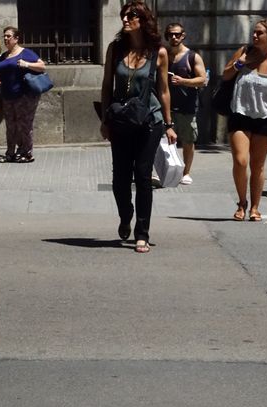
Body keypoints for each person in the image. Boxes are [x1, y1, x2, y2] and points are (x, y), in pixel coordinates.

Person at [100, 2, 177, 253]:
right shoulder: (115, 48)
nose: (125, 19)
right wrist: (104, 120)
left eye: (131, 15)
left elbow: (164, 90)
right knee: (120, 178)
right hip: (121, 120)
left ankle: (142, 232)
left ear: (143, 20)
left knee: (143, 176)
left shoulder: (158, 52)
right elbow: (106, 85)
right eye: (124, 15)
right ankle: (126, 215)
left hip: (149, 120)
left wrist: (169, 124)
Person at [222, 19, 267, 221]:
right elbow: (225, 75)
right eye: (254, 32)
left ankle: (254, 207)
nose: (254, 36)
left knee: (258, 165)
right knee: (241, 161)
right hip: (239, 114)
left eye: (259, 33)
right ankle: (241, 202)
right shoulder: (244, 51)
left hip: (264, 117)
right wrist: (239, 63)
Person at [0, 26, 46, 163]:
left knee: (24, 125)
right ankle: (10, 153)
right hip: (7, 95)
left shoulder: (25, 53)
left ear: (16, 39)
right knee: (11, 125)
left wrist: (26, 64)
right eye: (4, 36)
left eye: (8, 36)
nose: (5, 38)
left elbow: (42, 66)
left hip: (24, 95)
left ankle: (26, 153)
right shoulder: (4, 56)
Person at [165, 22, 207, 186]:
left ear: (183, 35)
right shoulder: (163, 54)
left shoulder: (192, 56)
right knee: (164, 141)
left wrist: (183, 81)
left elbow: (202, 79)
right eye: (170, 35)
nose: (173, 37)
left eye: (177, 34)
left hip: (186, 106)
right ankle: (167, 171)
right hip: (166, 106)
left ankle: (186, 172)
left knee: (188, 140)